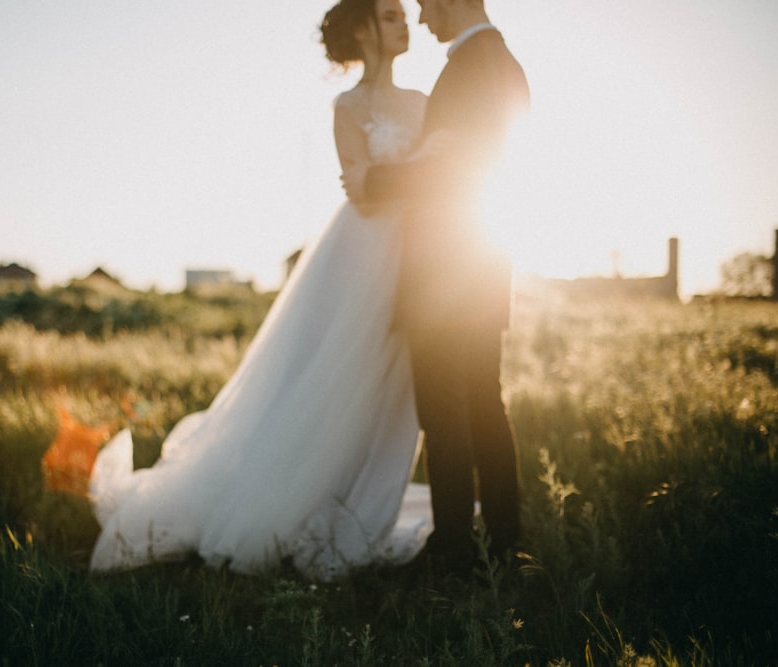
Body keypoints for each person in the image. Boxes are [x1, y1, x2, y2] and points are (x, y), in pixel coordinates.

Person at [88, 0, 433, 581]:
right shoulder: (346, 105)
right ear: (365, 30)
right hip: (360, 259)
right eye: (392, 14)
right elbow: (361, 193)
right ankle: (297, 500)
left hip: (418, 256)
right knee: (333, 376)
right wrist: (397, 185)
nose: (405, 23)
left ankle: (364, 500)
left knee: (394, 386)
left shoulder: (425, 103)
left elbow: (409, 181)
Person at [347, 0, 529, 562]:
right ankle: (505, 542)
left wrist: (373, 178)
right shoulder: (502, 62)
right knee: (484, 408)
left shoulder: (472, 64)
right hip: (479, 263)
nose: (423, 19)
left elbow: (453, 169)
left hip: (445, 271)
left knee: (447, 414)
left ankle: (453, 549)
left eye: (426, 5)